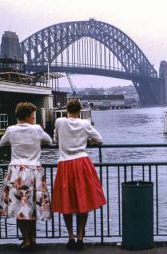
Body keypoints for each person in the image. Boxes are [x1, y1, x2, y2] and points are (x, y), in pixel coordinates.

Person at [52, 99, 106, 250]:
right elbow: (99, 140)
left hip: (64, 164)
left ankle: (70, 237)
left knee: (66, 201)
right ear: (80, 111)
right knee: (84, 200)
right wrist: (87, 141)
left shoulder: (59, 122)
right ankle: (81, 236)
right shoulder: (85, 123)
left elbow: (55, 140)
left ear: (67, 110)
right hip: (82, 162)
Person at [0, 102, 52, 250]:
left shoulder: (11, 129)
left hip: (16, 171)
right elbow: (49, 140)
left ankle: (26, 240)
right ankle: (33, 239)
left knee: (19, 207)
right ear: (29, 116)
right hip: (34, 171)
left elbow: (3, 142)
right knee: (32, 205)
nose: (34, 118)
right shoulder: (37, 129)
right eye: (33, 115)